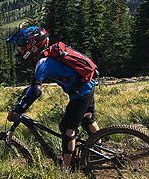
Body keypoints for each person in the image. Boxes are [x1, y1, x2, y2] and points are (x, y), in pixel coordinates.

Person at [6, 26, 99, 171]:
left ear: (32, 46)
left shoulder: (44, 62)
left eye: (21, 47)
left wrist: (19, 109)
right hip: (86, 85)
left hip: (80, 93)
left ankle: (65, 169)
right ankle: (99, 151)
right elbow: (34, 85)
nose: (19, 51)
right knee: (87, 119)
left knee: (67, 129)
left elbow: (36, 91)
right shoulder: (49, 55)